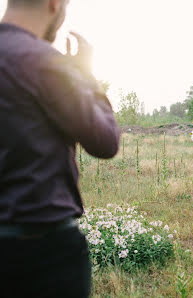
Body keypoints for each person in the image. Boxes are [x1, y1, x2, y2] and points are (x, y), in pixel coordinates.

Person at [0, 0, 120, 297]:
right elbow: (105, 141)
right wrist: (85, 75)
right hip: (39, 250)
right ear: (54, 4)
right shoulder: (42, 61)